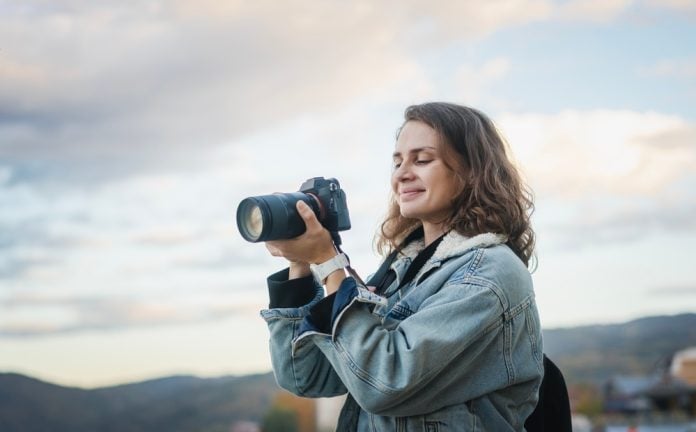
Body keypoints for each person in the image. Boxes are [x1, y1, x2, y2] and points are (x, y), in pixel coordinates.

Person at [259, 102, 543, 431]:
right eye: (397, 161)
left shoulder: (489, 274)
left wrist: (329, 263)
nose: (402, 173)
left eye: (422, 160)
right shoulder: (403, 270)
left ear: (470, 172)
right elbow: (305, 376)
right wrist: (301, 266)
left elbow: (383, 381)